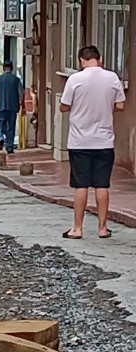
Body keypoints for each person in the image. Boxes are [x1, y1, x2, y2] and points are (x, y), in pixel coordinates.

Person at [60, 45, 126, 240]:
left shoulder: (75, 79)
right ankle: (103, 228)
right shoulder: (112, 78)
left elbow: (65, 106)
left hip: (79, 141)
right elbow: (120, 105)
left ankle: (78, 228)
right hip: (104, 140)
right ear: (100, 58)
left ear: (81, 60)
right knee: (102, 184)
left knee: (81, 185)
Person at [0, 61, 24, 154]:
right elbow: (21, 94)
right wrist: (23, 105)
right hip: (13, 107)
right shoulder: (17, 80)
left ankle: (0, 138)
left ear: (3, 68)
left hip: (0, 106)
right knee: (11, 127)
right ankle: (9, 146)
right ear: (12, 68)